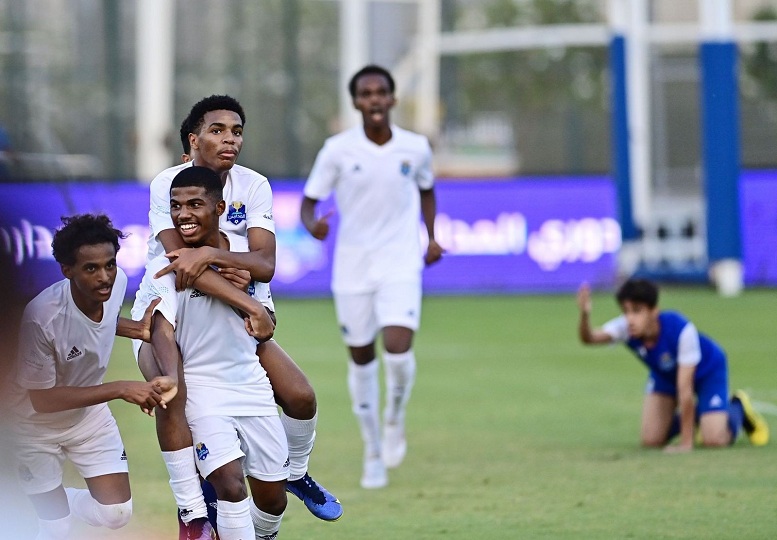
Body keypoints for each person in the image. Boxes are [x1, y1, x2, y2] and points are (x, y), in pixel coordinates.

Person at [133, 95, 341, 539]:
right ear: (193, 140)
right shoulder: (168, 183)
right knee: (173, 390)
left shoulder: (253, 185)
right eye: (217, 130)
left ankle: (294, 474)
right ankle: (192, 513)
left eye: (237, 131)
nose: (230, 139)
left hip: (231, 319)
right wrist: (227, 264)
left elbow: (266, 264)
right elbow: (179, 260)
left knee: (301, 397)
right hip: (171, 309)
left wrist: (221, 260)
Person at [300, 64, 444, 489]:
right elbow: (308, 203)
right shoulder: (337, 150)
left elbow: (427, 189)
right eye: (366, 93)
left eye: (382, 92)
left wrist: (432, 237)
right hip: (353, 268)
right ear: (357, 102)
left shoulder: (415, 147)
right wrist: (313, 226)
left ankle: (395, 417)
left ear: (393, 99)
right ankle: (373, 450)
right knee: (362, 358)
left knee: (398, 351)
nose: (375, 99)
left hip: (400, 263)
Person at [137, 166, 289, 539]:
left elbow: (266, 319)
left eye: (194, 204)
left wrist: (257, 310)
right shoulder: (166, 265)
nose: (183, 214)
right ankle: (193, 513)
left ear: (220, 207)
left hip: (250, 385)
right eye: (176, 206)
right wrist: (172, 376)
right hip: (203, 391)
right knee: (230, 484)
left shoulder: (242, 260)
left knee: (273, 501)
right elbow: (161, 329)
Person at [11, 214, 175, 539]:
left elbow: (100, 322)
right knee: (55, 529)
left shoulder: (117, 286)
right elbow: (41, 400)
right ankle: (48, 507)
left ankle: (59, 501)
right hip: (30, 427)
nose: (105, 277)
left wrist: (139, 329)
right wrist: (120, 389)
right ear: (67, 270)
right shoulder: (41, 318)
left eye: (110, 265)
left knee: (116, 514)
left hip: (87, 418)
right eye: (91, 269)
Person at [576, 278, 769, 452]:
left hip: (707, 371)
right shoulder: (626, 327)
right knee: (651, 440)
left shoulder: (680, 330)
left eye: (636, 311)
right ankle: (701, 417)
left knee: (715, 441)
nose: (630, 318)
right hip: (666, 375)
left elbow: (685, 389)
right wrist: (585, 315)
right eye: (626, 311)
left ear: (653, 311)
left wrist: (686, 443)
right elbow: (590, 338)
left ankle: (738, 408)